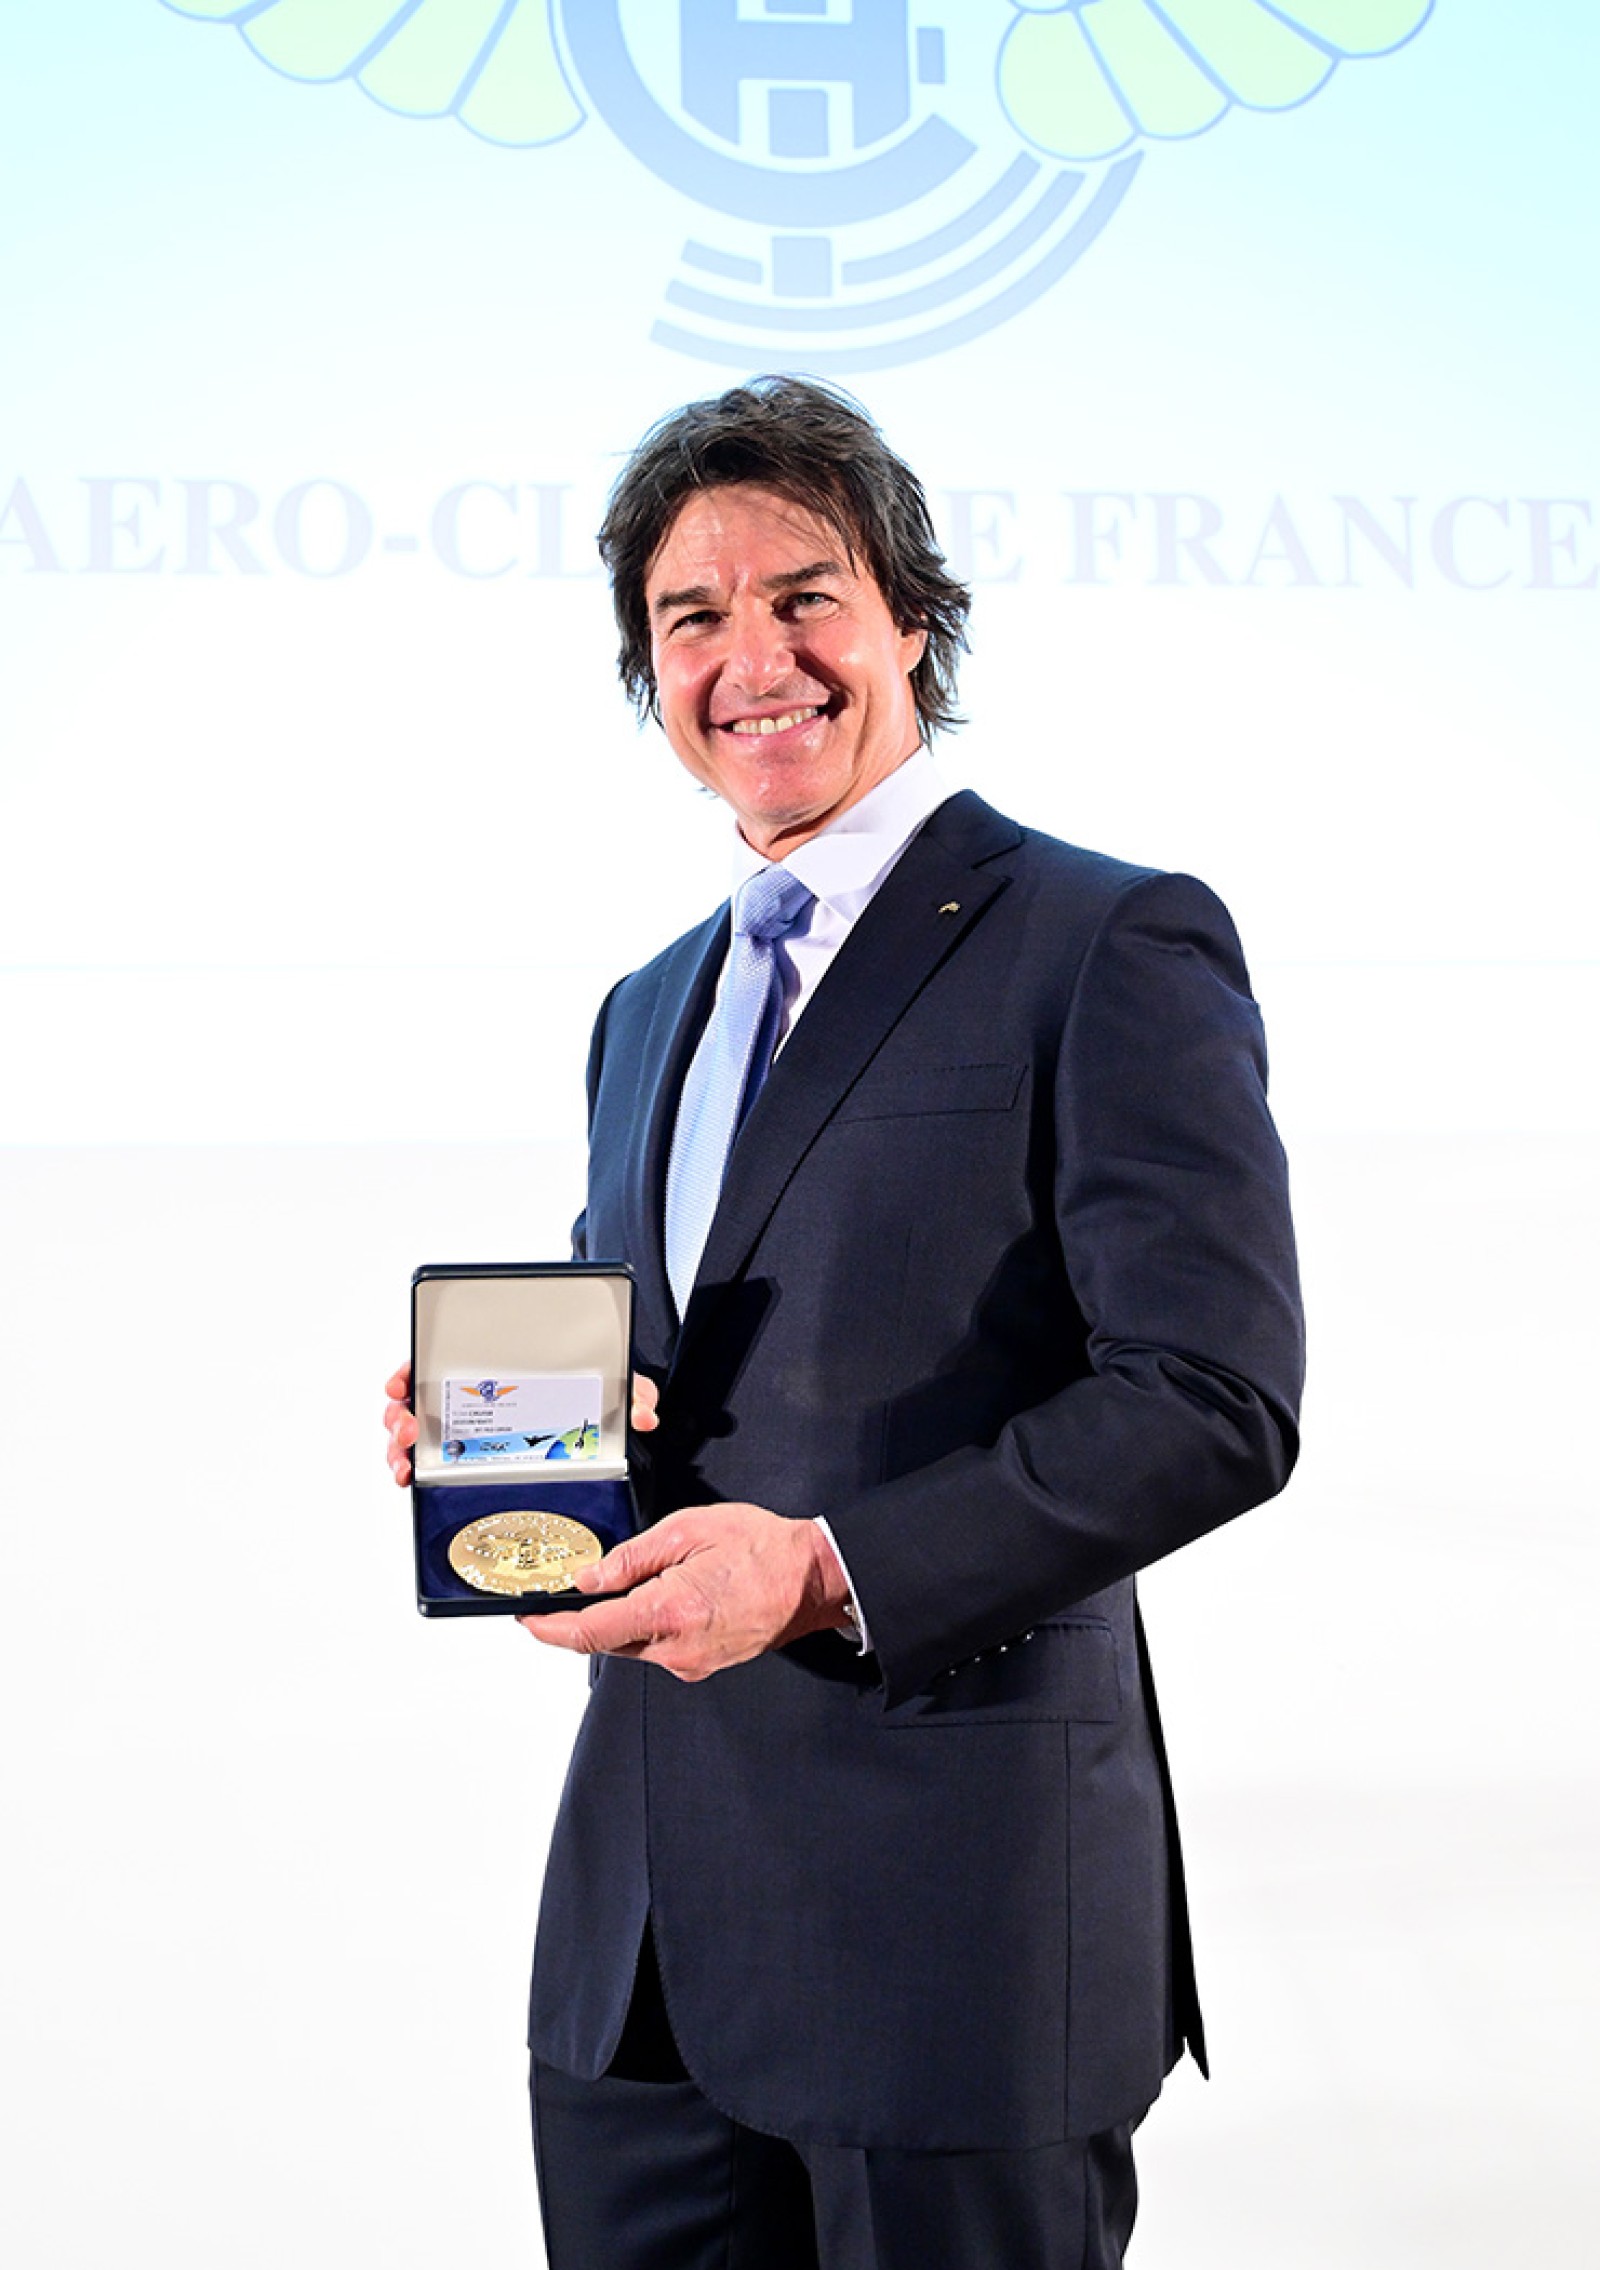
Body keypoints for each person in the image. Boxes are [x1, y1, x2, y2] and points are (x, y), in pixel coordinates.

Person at [385, 375, 1304, 2268]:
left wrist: (824, 1568)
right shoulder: (648, 1006)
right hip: (643, 1958)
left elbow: (1213, 1394)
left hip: (953, 1940)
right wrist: (513, 1441)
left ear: (912, 621)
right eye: (690, 618)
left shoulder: (1107, 941)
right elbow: (678, 1389)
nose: (753, 659)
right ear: (651, 678)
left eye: (805, 596)